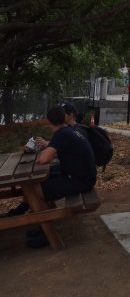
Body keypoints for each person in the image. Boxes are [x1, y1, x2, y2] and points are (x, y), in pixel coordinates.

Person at [27, 105, 97, 248]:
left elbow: (43, 159)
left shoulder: (61, 134)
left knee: (35, 190)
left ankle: (46, 231)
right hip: (84, 176)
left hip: (81, 181)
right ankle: (43, 225)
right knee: (43, 182)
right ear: (63, 118)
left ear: (48, 122)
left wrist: (42, 150)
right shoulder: (69, 130)